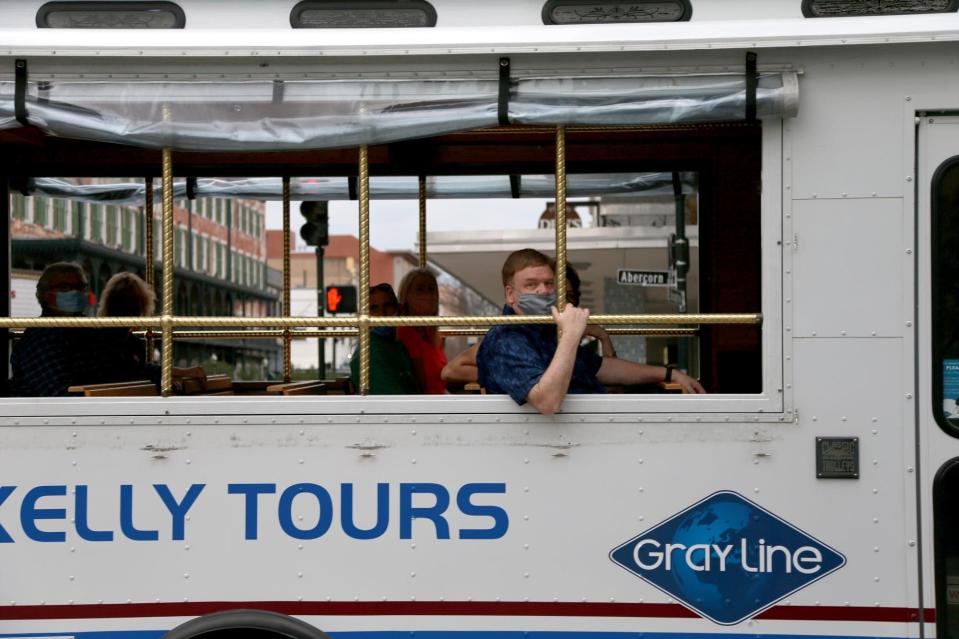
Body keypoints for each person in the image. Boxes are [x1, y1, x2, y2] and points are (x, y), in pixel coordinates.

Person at [476, 248, 705, 414]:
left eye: (549, 284)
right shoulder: (506, 339)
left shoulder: (544, 331)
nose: (543, 291)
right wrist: (571, 335)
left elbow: (599, 367)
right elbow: (548, 402)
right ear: (510, 294)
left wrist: (669, 374)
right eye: (531, 285)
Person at [441, 263, 615, 386]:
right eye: (551, 296)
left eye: (568, 297)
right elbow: (451, 370)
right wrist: (507, 375)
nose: (561, 304)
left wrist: (603, 337)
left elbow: (613, 379)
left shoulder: (567, 336)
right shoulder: (522, 337)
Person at [96, 271, 206, 392]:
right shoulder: (103, 342)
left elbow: (140, 372)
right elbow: (134, 373)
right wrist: (180, 373)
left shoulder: (131, 342)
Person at [350, 283, 419, 394]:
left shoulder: (398, 346)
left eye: (388, 306)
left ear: (398, 309)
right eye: (374, 308)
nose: (382, 314)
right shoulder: (369, 351)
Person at [396, 268, 448, 394]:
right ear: (406, 296)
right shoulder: (405, 332)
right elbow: (421, 386)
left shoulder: (433, 335)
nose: (427, 295)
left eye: (431, 289)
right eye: (419, 289)